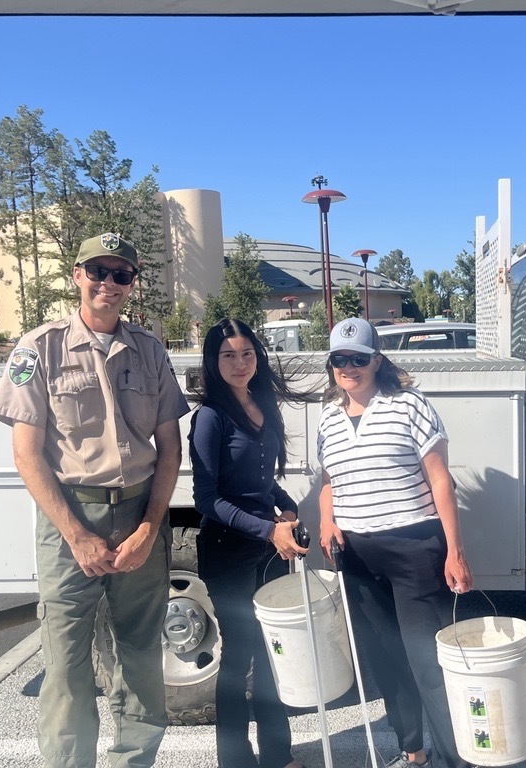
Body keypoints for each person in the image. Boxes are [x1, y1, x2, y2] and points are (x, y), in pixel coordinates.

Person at [0, 232, 188, 768]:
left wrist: (149, 528)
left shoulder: (149, 350)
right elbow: (27, 456)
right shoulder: (40, 347)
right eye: (98, 271)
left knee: (142, 656)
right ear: (77, 275)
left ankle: (133, 760)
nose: (109, 283)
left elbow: (169, 450)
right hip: (68, 518)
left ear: (132, 283)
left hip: (139, 512)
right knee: (67, 665)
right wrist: (76, 535)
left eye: (121, 274)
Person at [317, 317, 475, 768]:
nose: (349, 367)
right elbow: (328, 482)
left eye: (359, 359)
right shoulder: (328, 417)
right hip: (358, 556)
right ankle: (413, 751)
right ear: (331, 365)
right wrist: (327, 522)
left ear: (377, 361)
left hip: (414, 550)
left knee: (429, 662)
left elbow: (441, 480)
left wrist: (455, 551)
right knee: (386, 661)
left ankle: (456, 758)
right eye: (340, 359)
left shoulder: (409, 404)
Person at [188, 317, 308, 768]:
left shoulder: (264, 404)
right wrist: (267, 529)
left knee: (274, 652)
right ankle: (235, 760)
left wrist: (288, 507)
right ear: (212, 361)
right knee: (240, 656)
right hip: (227, 552)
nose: (240, 363)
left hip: (268, 550)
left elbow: (262, 483)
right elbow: (207, 498)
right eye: (228, 355)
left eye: (247, 354)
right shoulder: (209, 417)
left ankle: (278, 755)